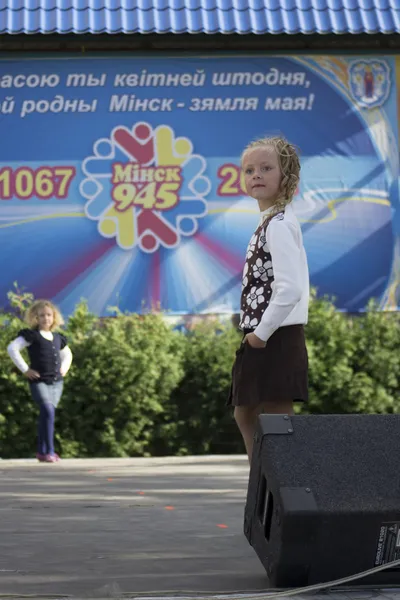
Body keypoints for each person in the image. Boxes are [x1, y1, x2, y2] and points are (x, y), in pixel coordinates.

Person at [227, 135, 310, 463]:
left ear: (286, 176)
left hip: (275, 335)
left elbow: (289, 288)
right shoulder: (268, 224)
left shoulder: (279, 225)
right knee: (245, 414)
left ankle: (279, 490)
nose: (256, 175)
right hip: (262, 335)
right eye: (249, 170)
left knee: (276, 418)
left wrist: (261, 334)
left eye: (266, 168)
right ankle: (265, 485)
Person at [7, 300, 73, 463]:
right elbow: (12, 348)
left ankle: (42, 452)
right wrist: (25, 369)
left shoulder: (58, 338)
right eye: (41, 315)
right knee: (48, 410)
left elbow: (68, 355)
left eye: (49, 315)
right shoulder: (31, 336)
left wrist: (64, 369)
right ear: (35, 317)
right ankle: (50, 451)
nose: (46, 318)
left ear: (54, 317)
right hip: (39, 381)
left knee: (47, 414)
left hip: (57, 383)